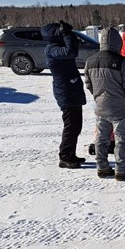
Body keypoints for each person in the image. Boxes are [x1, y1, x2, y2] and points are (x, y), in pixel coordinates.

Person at [84, 27, 125, 180]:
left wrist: (98, 97)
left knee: (101, 139)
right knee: (121, 140)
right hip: (120, 109)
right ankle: (121, 170)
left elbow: (88, 83)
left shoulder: (90, 60)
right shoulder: (122, 61)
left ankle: (102, 167)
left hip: (101, 107)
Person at [41, 20, 86, 169]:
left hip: (70, 90)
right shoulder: (52, 49)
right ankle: (65, 156)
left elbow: (74, 48)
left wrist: (69, 34)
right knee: (71, 126)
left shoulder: (57, 47)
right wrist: (66, 34)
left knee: (76, 126)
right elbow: (71, 52)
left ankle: (70, 154)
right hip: (66, 92)